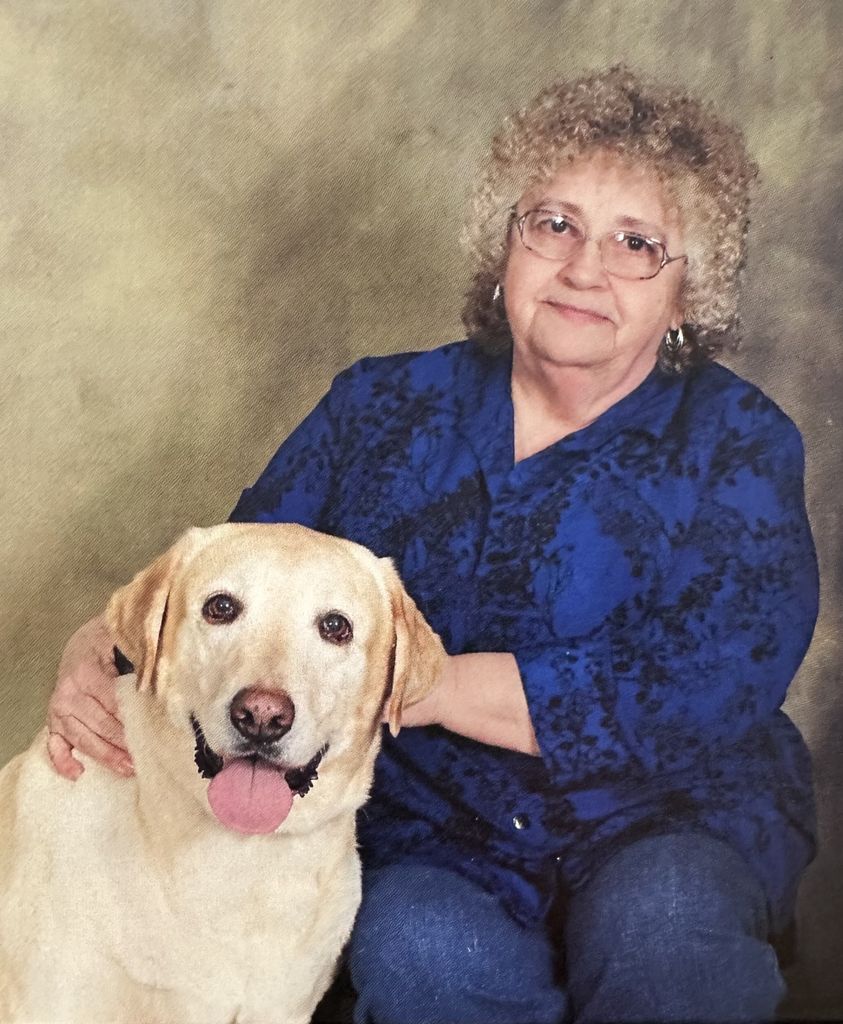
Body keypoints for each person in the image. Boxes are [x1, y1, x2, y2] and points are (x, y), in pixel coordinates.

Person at [47, 67, 818, 1024]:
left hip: (670, 816)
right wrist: (103, 644)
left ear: (686, 292)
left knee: (665, 933)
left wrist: (426, 682)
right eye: (553, 225)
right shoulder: (377, 404)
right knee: (420, 953)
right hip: (432, 829)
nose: (584, 269)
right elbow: (237, 573)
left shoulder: (740, 442)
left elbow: (710, 679)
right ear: (503, 247)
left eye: (635, 244)